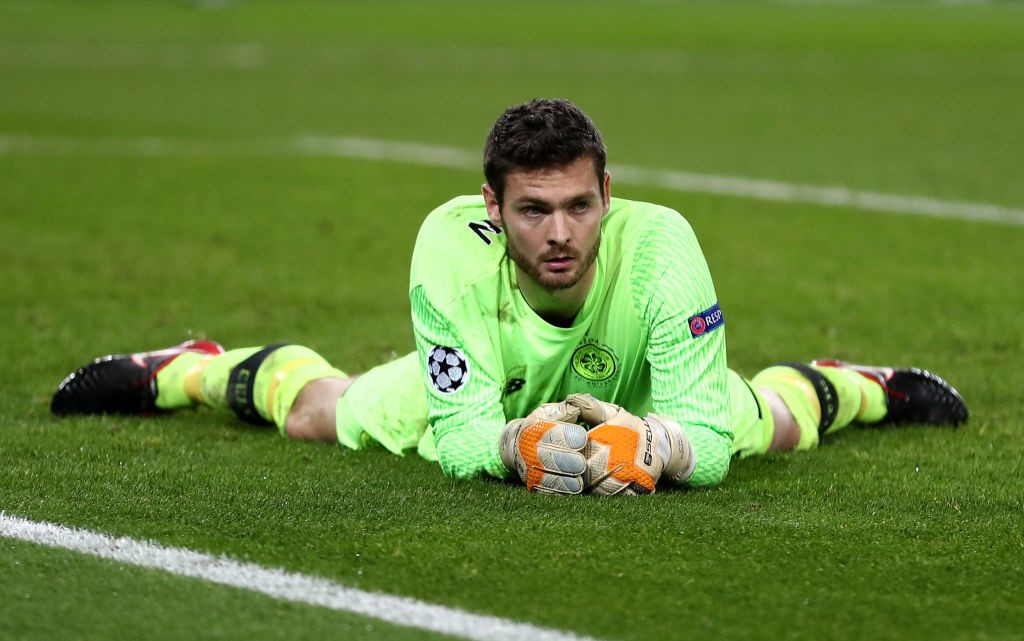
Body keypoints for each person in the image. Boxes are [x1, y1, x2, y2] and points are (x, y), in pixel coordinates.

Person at [50, 99, 968, 495]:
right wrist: (511, 443)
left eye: (579, 206)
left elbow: (709, 447)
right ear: (494, 205)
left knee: (765, 421)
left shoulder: (663, 248)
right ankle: (196, 372)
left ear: (608, 192)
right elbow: (457, 438)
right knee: (319, 413)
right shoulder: (449, 246)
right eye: (533, 211)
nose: (560, 234)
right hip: (488, 392)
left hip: (636, 392)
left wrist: (658, 442)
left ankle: (859, 386)